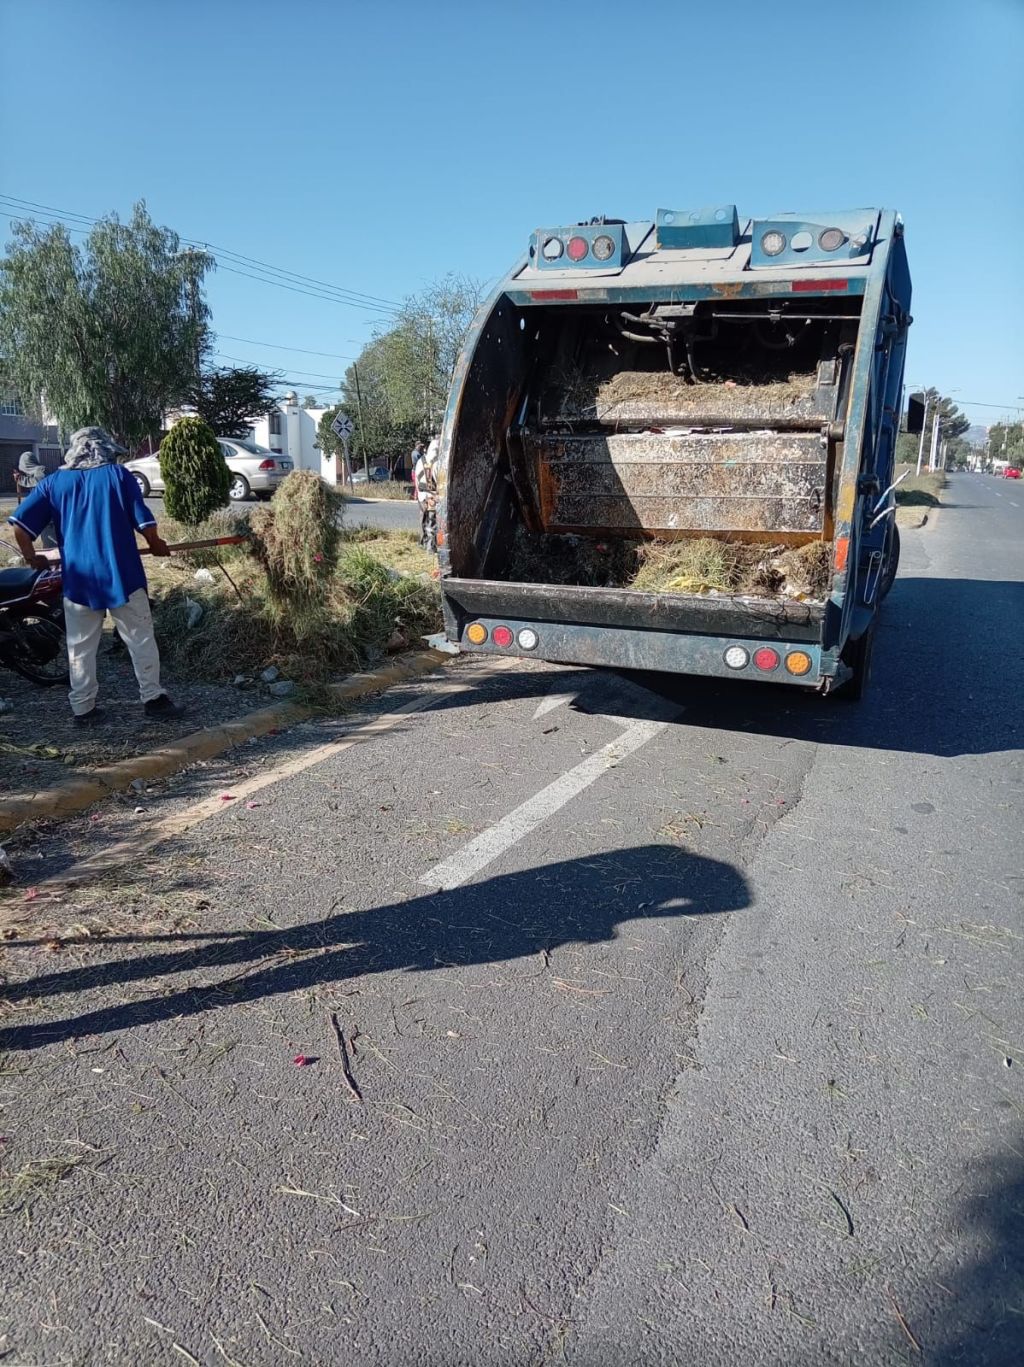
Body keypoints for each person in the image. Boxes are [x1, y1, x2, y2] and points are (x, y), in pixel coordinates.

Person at [8, 426, 184, 727]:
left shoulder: (53, 483)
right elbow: (145, 523)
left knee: (80, 646)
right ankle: (154, 699)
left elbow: (20, 528)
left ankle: (83, 709)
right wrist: (156, 545)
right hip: (122, 576)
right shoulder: (118, 476)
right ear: (104, 450)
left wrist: (32, 557)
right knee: (140, 638)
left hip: (79, 581)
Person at [14, 451, 58, 549]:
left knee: (52, 542)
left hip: (50, 514)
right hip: (44, 513)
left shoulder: (41, 470)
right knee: (47, 539)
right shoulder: (35, 472)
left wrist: (21, 480)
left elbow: (39, 482)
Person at [413, 437, 438, 551]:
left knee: (423, 520)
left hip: (422, 496)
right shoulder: (437, 463)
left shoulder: (421, 460)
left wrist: (418, 494)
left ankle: (423, 544)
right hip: (432, 496)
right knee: (432, 522)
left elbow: (416, 480)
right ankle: (430, 548)